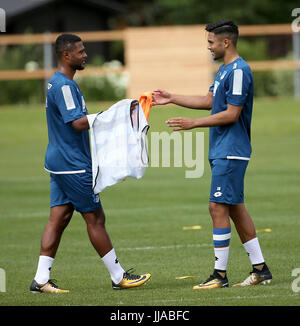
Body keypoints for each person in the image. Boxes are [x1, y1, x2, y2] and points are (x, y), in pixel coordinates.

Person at [152, 20, 272, 290]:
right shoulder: (224, 70)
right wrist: (171, 97)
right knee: (234, 208)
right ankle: (261, 269)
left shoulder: (239, 71)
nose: (208, 46)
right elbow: (209, 101)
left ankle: (219, 275)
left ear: (225, 42)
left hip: (232, 150)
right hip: (222, 149)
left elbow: (232, 113)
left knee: (216, 206)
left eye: (210, 42)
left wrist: (193, 124)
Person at [30, 34, 151, 293]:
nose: (85, 55)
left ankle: (40, 279)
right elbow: (77, 123)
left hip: (59, 162)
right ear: (66, 55)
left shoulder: (61, 83)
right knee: (95, 218)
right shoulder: (64, 86)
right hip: (72, 165)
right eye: (81, 52)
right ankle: (119, 277)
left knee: (59, 218)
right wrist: (113, 115)